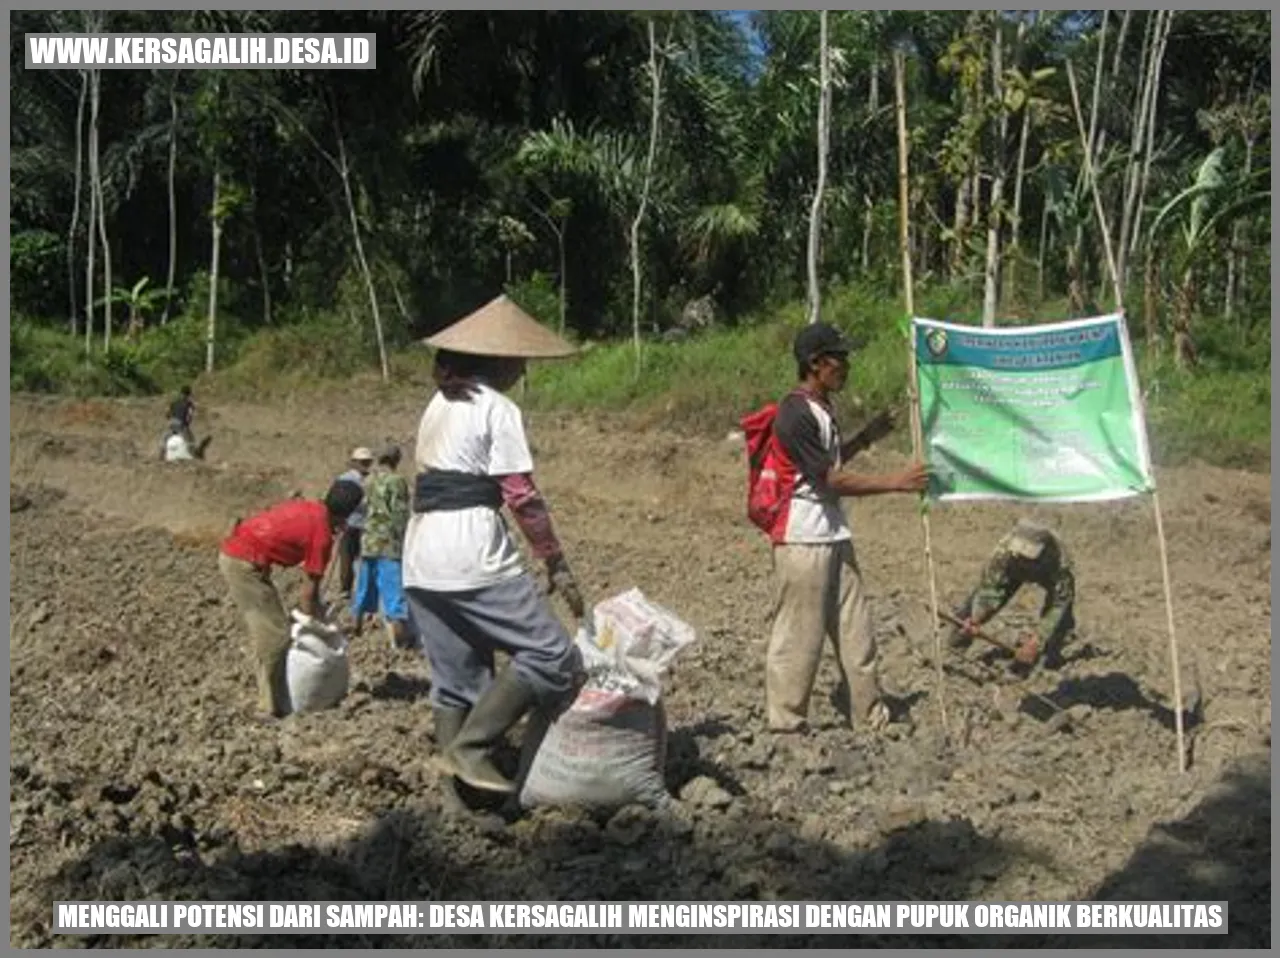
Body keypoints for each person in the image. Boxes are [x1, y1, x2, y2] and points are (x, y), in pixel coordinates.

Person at [403, 294, 586, 796]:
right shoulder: (497, 408)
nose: (522, 368)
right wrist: (556, 562)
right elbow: (521, 495)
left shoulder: (438, 404)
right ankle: (472, 749)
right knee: (553, 656)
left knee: (454, 679)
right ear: (500, 360)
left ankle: (455, 802)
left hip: (421, 554)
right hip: (471, 553)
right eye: (519, 359)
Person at [765, 321, 929, 735]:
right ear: (816, 364)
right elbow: (828, 480)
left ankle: (871, 717)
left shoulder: (821, 410)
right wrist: (896, 482)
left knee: (858, 632)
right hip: (804, 540)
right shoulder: (794, 412)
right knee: (799, 636)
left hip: (834, 535)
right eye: (840, 358)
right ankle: (786, 723)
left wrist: (867, 437)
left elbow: (828, 463)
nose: (847, 365)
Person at [218, 481, 363, 720]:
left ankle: (278, 693)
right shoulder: (321, 536)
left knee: (273, 628)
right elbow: (308, 594)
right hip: (242, 562)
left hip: (244, 553)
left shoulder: (312, 509)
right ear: (347, 515)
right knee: (275, 636)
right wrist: (317, 624)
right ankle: (268, 706)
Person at [947, 519, 1076, 669]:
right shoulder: (1004, 552)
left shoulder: (1060, 562)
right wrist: (976, 619)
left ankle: (1050, 658)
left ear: (1045, 550)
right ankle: (954, 649)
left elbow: (1059, 604)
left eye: (1028, 556)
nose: (1022, 558)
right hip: (1012, 571)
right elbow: (990, 589)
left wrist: (1036, 640)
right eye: (1019, 553)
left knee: (1061, 619)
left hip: (1047, 573)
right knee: (971, 611)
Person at [352, 443, 416, 649]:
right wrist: (406, 537)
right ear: (396, 460)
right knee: (393, 590)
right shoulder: (397, 481)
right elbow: (399, 514)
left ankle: (356, 625)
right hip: (389, 542)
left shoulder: (368, 480)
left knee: (364, 585)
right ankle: (400, 640)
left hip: (369, 539)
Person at [334, 448, 375, 599]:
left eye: (367, 462)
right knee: (347, 559)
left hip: (365, 525)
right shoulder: (346, 479)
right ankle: (346, 590)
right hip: (349, 523)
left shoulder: (372, 480)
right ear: (355, 462)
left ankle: (360, 592)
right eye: (363, 462)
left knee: (362, 560)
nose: (365, 465)